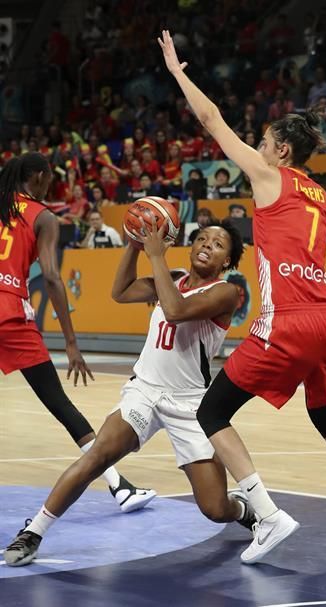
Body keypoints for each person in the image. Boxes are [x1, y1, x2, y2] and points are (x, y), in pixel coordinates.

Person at [157, 30, 326, 565]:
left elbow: (212, 120)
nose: (256, 149)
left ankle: (268, 514)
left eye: (262, 141)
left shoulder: (270, 174)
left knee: (211, 412)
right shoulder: (323, 198)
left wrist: (177, 72)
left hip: (286, 318)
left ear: (281, 150)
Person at [4, 218, 253, 567]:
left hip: (190, 404)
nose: (205, 245)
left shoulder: (226, 292)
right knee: (97, 457)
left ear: (227, 261)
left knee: (215, 508)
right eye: (201, 239)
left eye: (217, 244)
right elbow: (120, 292)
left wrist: (155, 257)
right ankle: (34, 532)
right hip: (145, 392)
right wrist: (133, 246)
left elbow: (176, 311)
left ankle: (242, 507)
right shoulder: (174, 277)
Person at [0, 154, 155, 534]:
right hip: (10, 312)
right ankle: (119, 486)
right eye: (49, 178)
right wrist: (71, 343)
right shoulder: (42, 215)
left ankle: (121, 486)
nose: (50, 185)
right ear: (37, 176)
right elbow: (51, 278)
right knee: (59, 404)